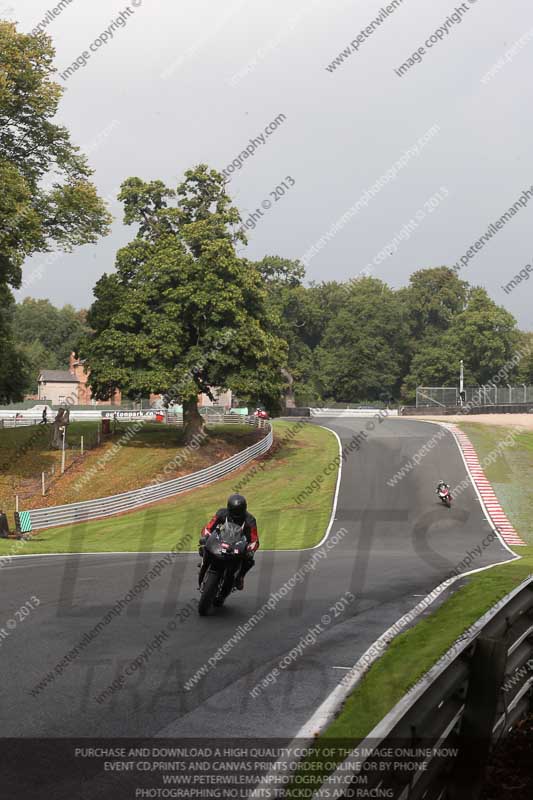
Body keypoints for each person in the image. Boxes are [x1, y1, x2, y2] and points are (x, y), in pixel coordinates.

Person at [199, 494, 259, 590]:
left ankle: (240, 577)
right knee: (203, 542)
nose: (236, 513)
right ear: (229, 508)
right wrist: (206, 535)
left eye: (239, 511)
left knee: (249, 559)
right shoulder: (222, 513)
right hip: (221, 539)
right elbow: (209, 526)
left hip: (238, 544)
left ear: (244, 509)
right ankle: (204, 562)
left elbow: (254, 539)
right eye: (234, 510)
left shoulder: (250, 520)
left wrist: (250, 548)